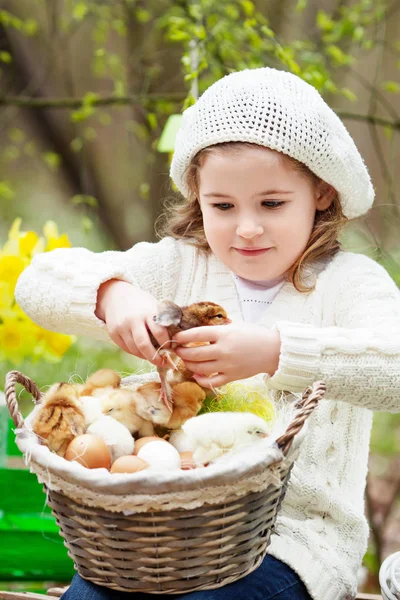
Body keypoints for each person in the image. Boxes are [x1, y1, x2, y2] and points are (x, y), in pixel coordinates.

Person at [16, 67, 400, 600]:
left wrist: (275, 352)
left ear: (321, 193)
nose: (245, 227)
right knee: (87, 596)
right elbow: (37, 280)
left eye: (271, 204)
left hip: (292, 544)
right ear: (198, 195)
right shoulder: (181, 267)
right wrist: (113, 295)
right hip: (160, 529)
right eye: (222, 206)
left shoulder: (348, 284)